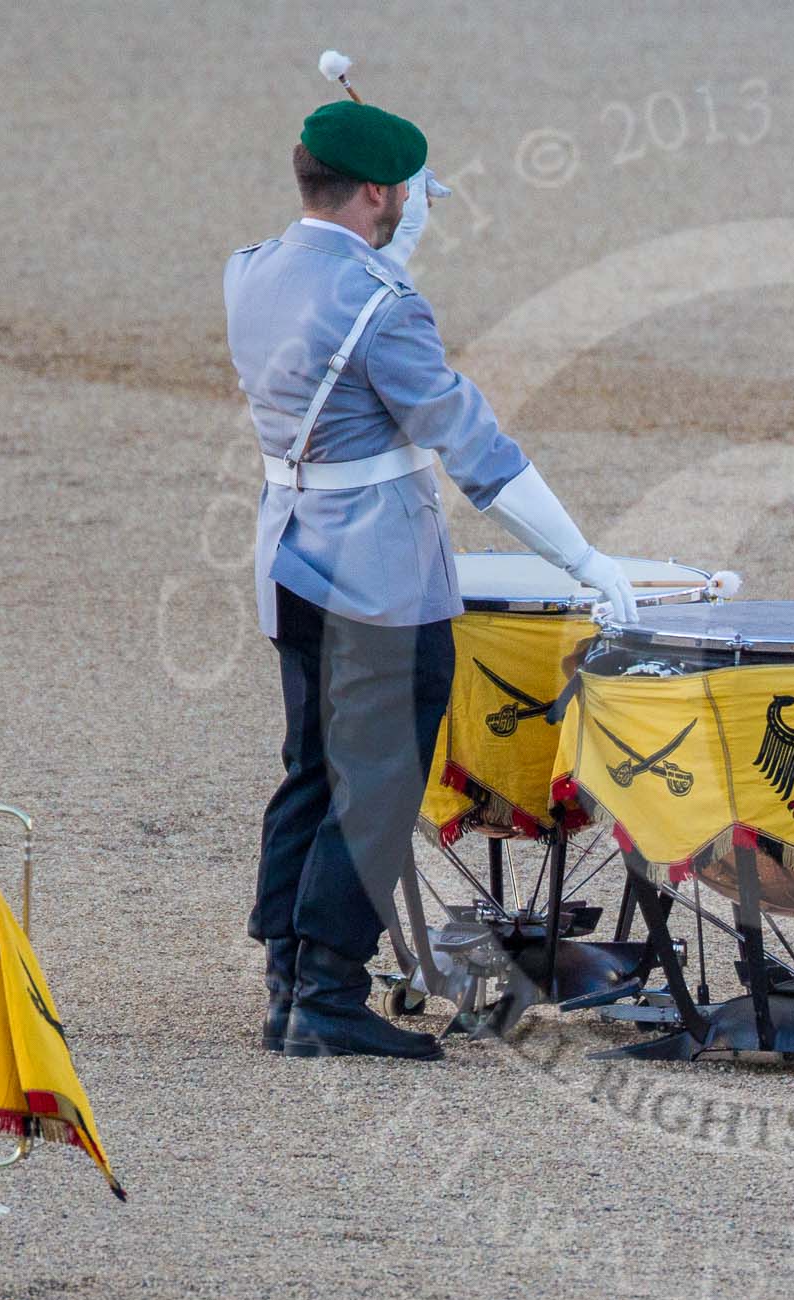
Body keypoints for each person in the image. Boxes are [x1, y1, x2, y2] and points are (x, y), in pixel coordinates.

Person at [224, 100, 638, 1060]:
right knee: (375, 783)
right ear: (375, 190)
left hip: (287, 559)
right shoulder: (386, 307)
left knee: (312, 768)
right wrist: (585, 559)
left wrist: (388, 249)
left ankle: (289, 976)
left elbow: (334, 325)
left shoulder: (249, 272)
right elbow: (477, 451)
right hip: (376, 576)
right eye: (397, 189)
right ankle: (327, 992)